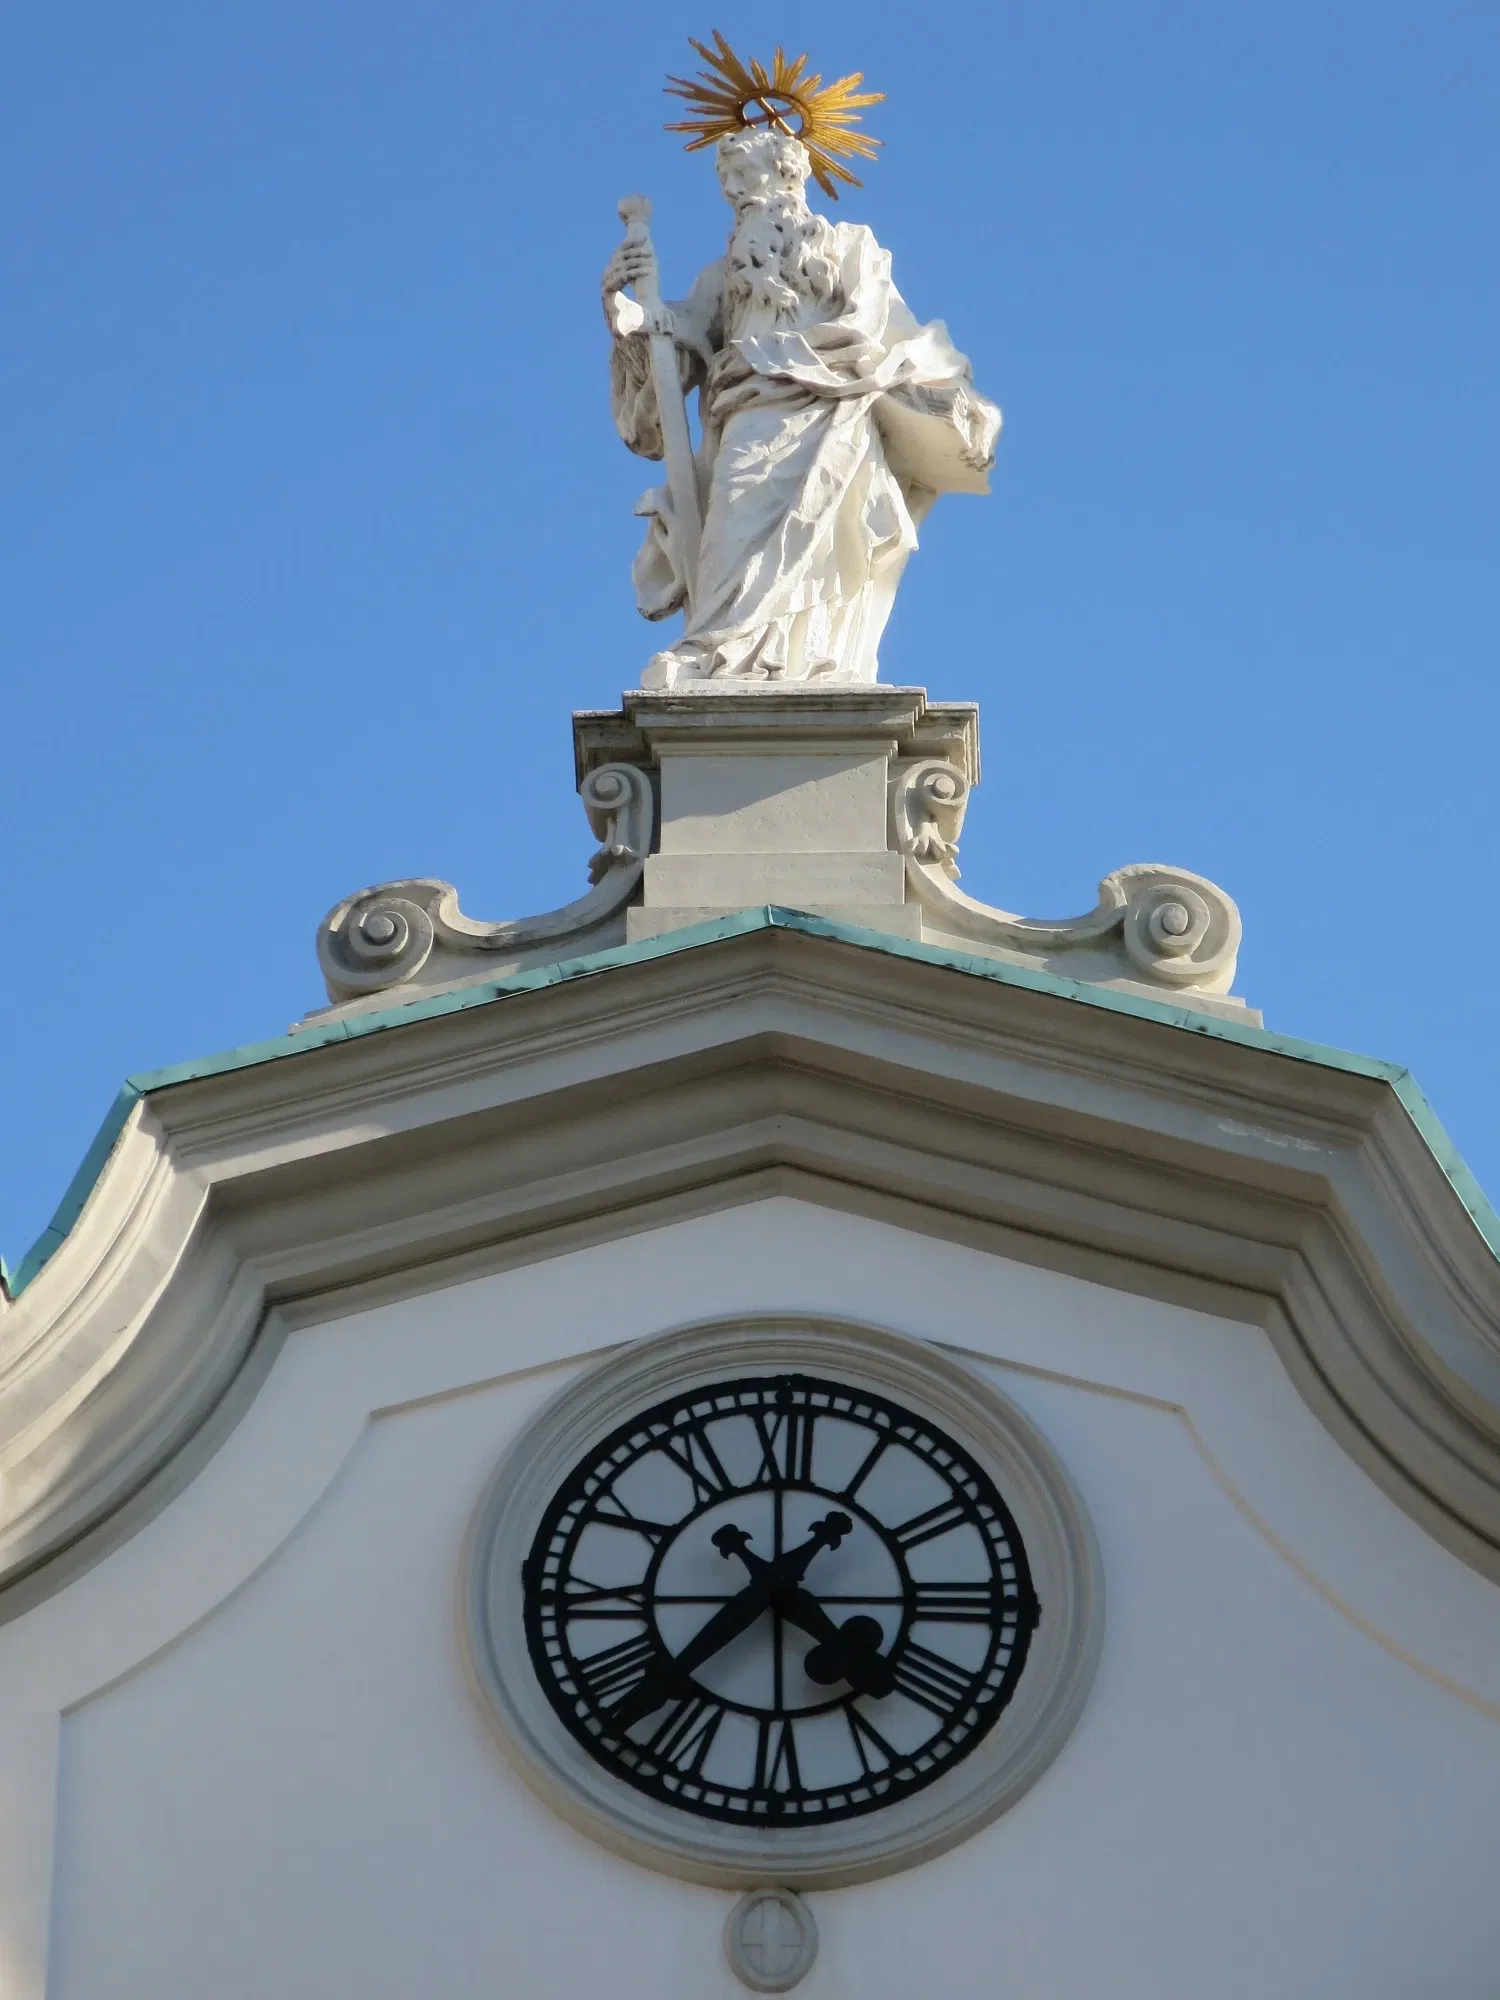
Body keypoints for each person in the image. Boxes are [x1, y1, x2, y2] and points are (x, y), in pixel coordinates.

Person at [602, 126, 1000, 686]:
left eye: (745, 173)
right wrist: (626, 308)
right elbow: (675, 341)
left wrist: (783, 358)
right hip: (749, 417)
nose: (734, 189)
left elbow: (872, 327)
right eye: (726, 179)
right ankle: (721, 651)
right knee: (731, 534)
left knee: (824, 540)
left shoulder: (848, 246)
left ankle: (811, 660)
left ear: (789, 170)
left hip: (829, 414)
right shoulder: (721, 276)